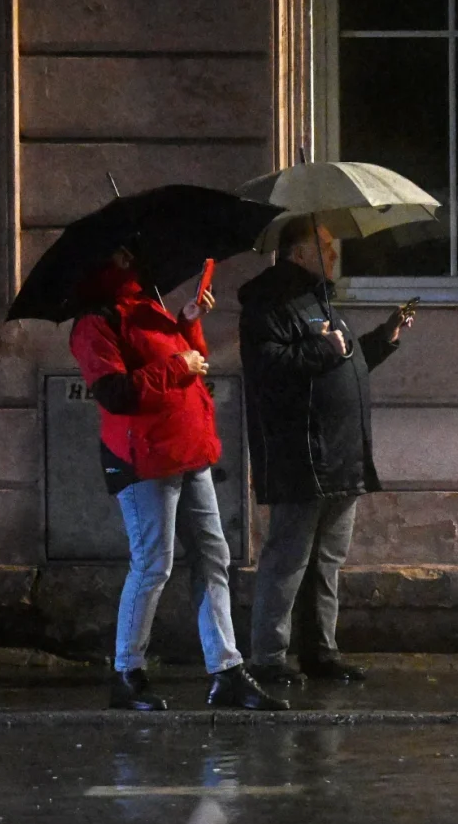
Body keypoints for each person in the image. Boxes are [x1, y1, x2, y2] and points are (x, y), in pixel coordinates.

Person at [70, 246, 287, 712]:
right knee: (153, 564)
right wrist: (178, 365)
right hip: (144, 458)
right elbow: (116, 392)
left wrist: (187, 322)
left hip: (188, 450)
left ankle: (226, 671)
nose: (133, 255)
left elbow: (194, 359)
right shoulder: (96, 322)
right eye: (125, 251)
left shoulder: (147, 305)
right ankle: (126, 673)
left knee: (213, 556)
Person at [237, 218, 416, 685]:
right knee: (288, 558)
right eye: (326, 248)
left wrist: (384, 338)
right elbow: (268, 369)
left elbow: (346, 363)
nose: (335, 256)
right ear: (299, 253)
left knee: (327, 560)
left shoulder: (320, 300)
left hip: (341, 455)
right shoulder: (268, 304)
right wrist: (321, 349)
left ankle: (320, 651)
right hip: (303, 453)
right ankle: (268, 658)